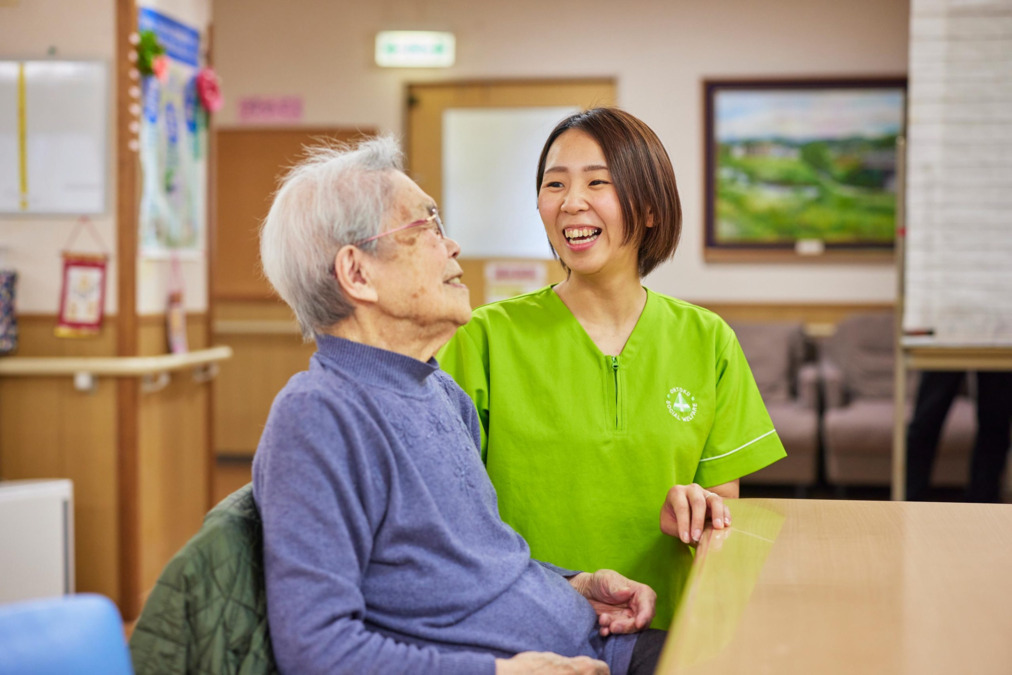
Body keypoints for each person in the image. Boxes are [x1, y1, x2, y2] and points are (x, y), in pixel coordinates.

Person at [254, 135, 666, 675]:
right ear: (357, 273)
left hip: (597, 640)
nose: (452, 246)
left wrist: (575, 586)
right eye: (424, 228)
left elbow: (473, 567)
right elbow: (318, 651)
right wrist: (500, 673)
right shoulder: (319, 416)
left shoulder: (439, 390)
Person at [438, 107, 787, 627]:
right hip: (527, 630)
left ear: (649, 208)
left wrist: (696, 505)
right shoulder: (483, 337)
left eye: (596, 182)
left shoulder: (707, 339)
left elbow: (721, 512)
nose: (571, 202)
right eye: (554, 184)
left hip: (669, 632)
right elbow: (448, 511)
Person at [906, 370, 1012, 502]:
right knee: (926, 420)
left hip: (998, 359)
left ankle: (984, 504)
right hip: (944, 357)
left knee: (995, 422)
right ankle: (911, 502)